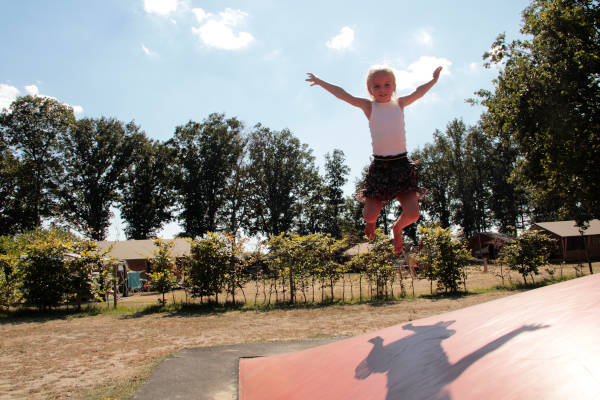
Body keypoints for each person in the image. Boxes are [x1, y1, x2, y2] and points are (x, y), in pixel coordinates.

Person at [306, 65, 442, 254]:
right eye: (376, 86)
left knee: (413, 213)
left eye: (387, 85)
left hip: (402, 165)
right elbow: (342, 94)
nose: (382, 90)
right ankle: (370, 223)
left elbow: (418, 91)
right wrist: (320, 82)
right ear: (370, 89)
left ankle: (397, 228)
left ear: (394, 87)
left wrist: (433, 81)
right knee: (370, 215)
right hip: (381, 168)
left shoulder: (400, 104)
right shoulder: (369, 106)